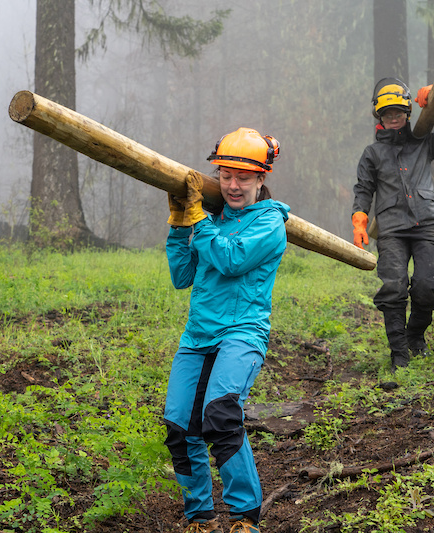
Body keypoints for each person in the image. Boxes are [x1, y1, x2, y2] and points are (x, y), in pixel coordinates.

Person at [163, 127, 289, 533]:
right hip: (198, 336)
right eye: (225, 175)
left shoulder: (269, 222)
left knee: (220, 415)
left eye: (244, 177)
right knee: (180, 427)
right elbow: (182, 276)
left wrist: (200, 222)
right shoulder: (211, 219)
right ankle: (198, 517)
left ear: (261, 179)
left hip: (242, 333)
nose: (233, 186)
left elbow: (231, 260)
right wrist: (181, 224)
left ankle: (245, 518)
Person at [351, 77, 434, 371]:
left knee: (427, 286)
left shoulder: (424, 142)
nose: (394, 118)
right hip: (390, 229)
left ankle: (415, 335)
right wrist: (360, 220)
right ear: (380, 117)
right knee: (394, 287)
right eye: (388, 114)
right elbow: (363, 189)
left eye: (399, 113)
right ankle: (398, 351)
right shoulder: (372, 154)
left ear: (407, 113)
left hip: (427, 222)